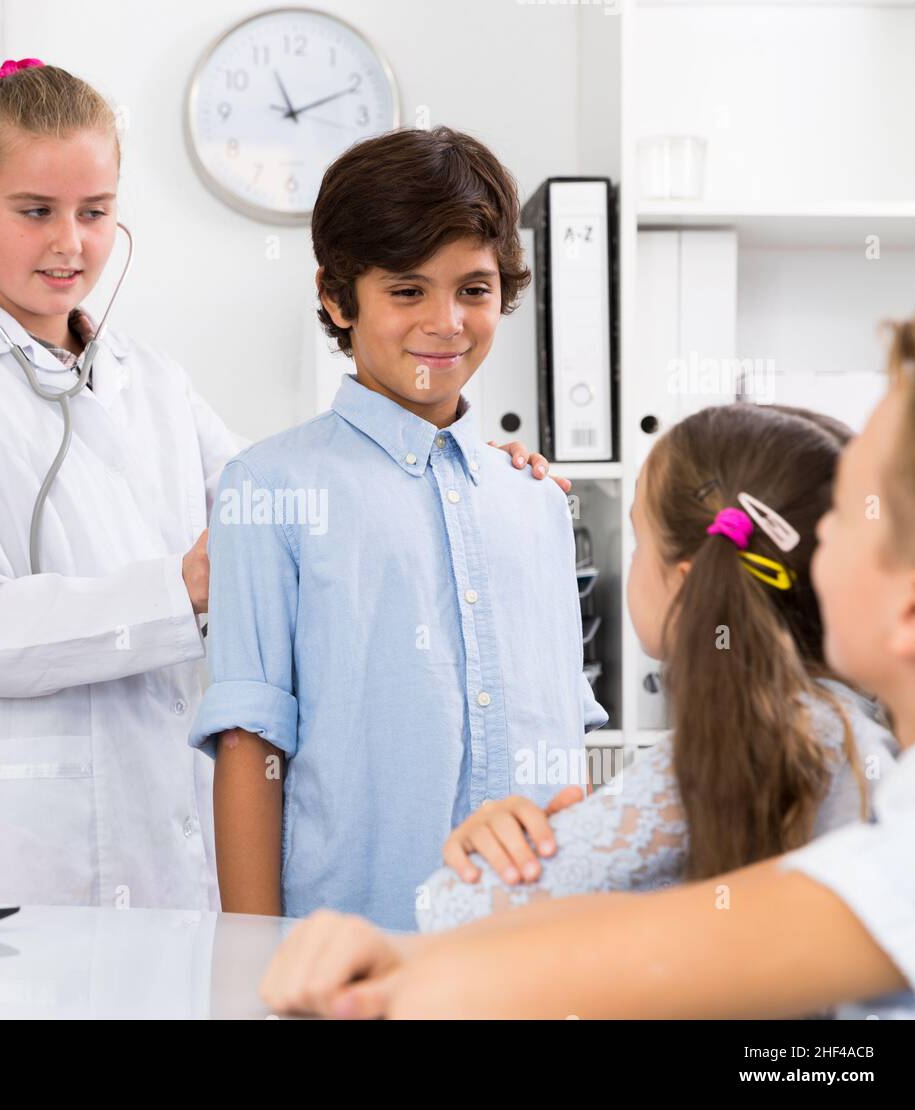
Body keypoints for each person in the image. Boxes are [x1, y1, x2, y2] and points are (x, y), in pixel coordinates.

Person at [0, 65, 559, 911]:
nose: (70, 243)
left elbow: (297, 501)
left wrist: (474, 470)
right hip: (20, 822)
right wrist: (179, 591)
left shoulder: (144, 377)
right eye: (36, 211)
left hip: (164, 820)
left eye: (95, 211)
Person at [259, 305, 915, 1018]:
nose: (817, 547)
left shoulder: (809, 772)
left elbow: (459, 909)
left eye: (846, 520)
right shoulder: (872, 769)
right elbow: (719, 936)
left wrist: (474, 896)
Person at [187, 127, 606, 931]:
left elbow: (562, 751)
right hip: (354, 952)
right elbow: (250, 747)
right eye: (407, 291)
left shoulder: (537, 501)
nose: (445, 322)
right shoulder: (269, 489)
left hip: (530, 949)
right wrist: (252, 973)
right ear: (339, 297)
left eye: (473, 291)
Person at [416, 403, 895, 935]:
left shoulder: (742, 747)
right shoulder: (846, 720)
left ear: (687, 585)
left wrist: (484, 847)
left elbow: (450, 908)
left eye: (640, 538)